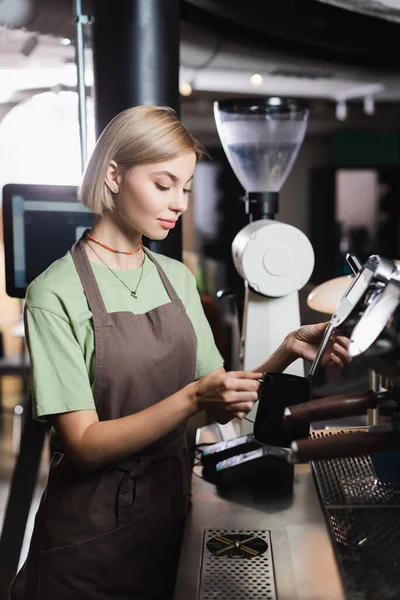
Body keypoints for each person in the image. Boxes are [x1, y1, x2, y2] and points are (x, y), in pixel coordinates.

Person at [10, 105, 350, 600]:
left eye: (186, 187)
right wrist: (192, 399)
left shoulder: (175, 279)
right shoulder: (54, 293)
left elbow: (218, 400)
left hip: (171, 519)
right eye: (163, 184)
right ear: (114, 174)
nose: (179, 203)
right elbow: (83, 444)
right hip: (90, 546)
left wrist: (283, 354)